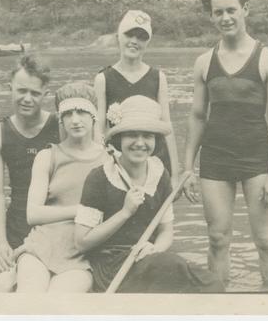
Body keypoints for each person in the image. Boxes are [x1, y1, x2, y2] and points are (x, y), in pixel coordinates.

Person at [182, 0, 268, 290]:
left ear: (245, 10)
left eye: (231, 10)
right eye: (218, 12)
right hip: (215, 160)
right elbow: (198, 117)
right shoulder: (204, 62)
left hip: (257, 160)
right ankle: (218, 303)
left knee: (266, 240)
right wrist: (187, 168)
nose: (225, 17)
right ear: (211, 17)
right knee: (217, 238)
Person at [74, 95, 224, 293]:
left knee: (212, 284)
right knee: (169, 267)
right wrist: (125, 213)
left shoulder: (159, 172)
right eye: (132, 135)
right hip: (112, 266)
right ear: (119, 138)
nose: (140, 143)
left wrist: (155, 248)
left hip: (151, 259)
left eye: (147, 136)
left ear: (156, 140)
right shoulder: (100, 177)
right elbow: (81, 243)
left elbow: (165, 231)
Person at [0, 54, 59, 292]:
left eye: (35, 93)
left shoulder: (60, 127)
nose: (27, 99)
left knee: (20, 289)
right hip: (12, 227)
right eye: (21, 91)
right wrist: (1, 242)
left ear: (46, 94)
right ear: (10, 88)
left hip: (48, 226)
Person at [13, 82, 108, 292]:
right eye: (68, 114)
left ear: (93, 116)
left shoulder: (109, 160)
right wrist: (79, 211)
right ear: (61, 120)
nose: (75, 120)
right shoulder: (47, 156)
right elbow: (33, 214)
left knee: (59, 300)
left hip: (81, 254)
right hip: (41, 246)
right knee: (29, 295)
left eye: (82, 111)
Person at [93, 10, 180, 187]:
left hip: (154, 160)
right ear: (119, 36)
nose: (134, 41)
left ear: (147, 42)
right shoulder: (103, 78)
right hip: (118, 163)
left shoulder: (158, 77)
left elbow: (167, 127)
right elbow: (99, 129)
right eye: (129, 35)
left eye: (141, 37)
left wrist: (175, 175)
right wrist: (100, 165)